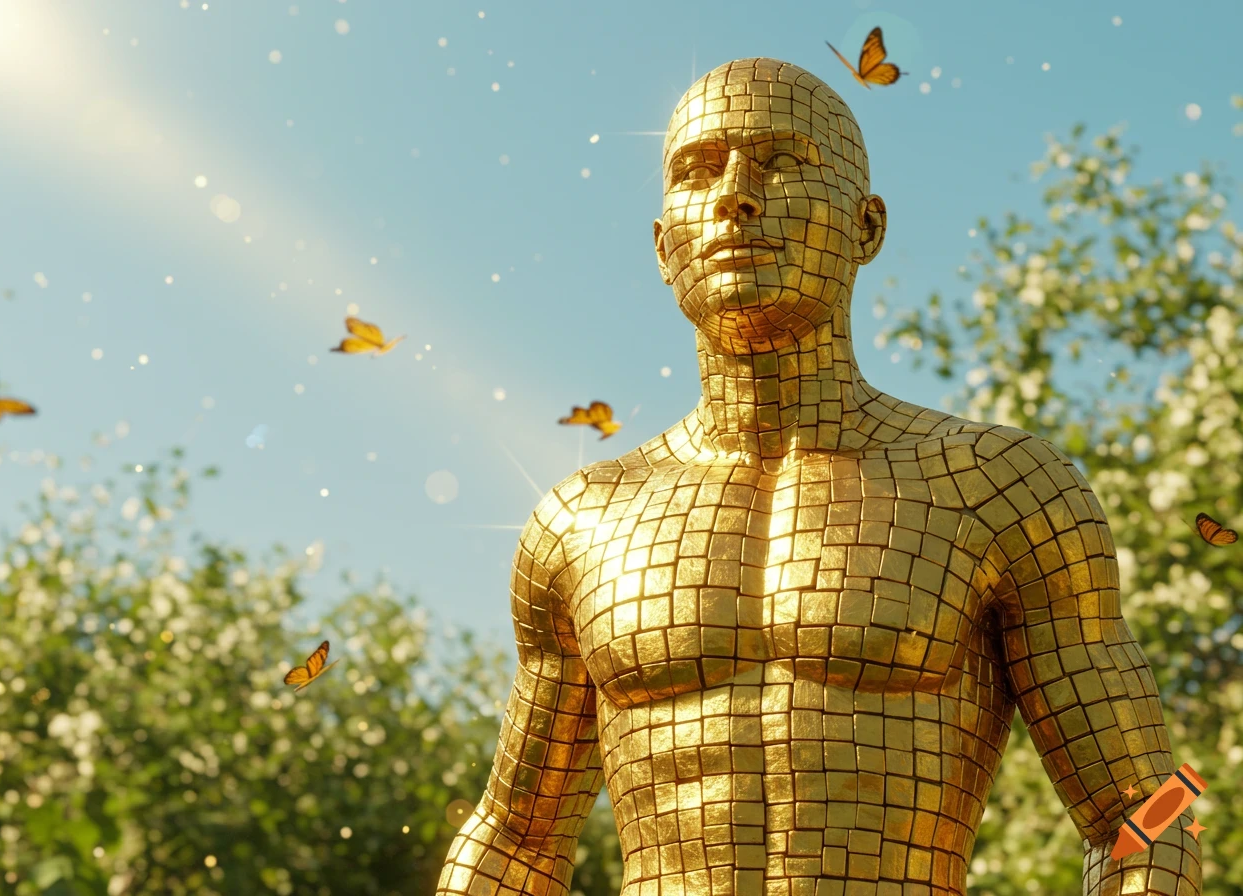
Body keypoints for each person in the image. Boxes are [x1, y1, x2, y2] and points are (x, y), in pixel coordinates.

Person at [435, 57, 1202, 896]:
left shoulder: (997, 486)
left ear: (866, 227)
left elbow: (1151, 808)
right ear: (662, 247)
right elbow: (513, 839)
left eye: (781, 162)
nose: (735, 195)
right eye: (697, 171)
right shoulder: (582, 522)